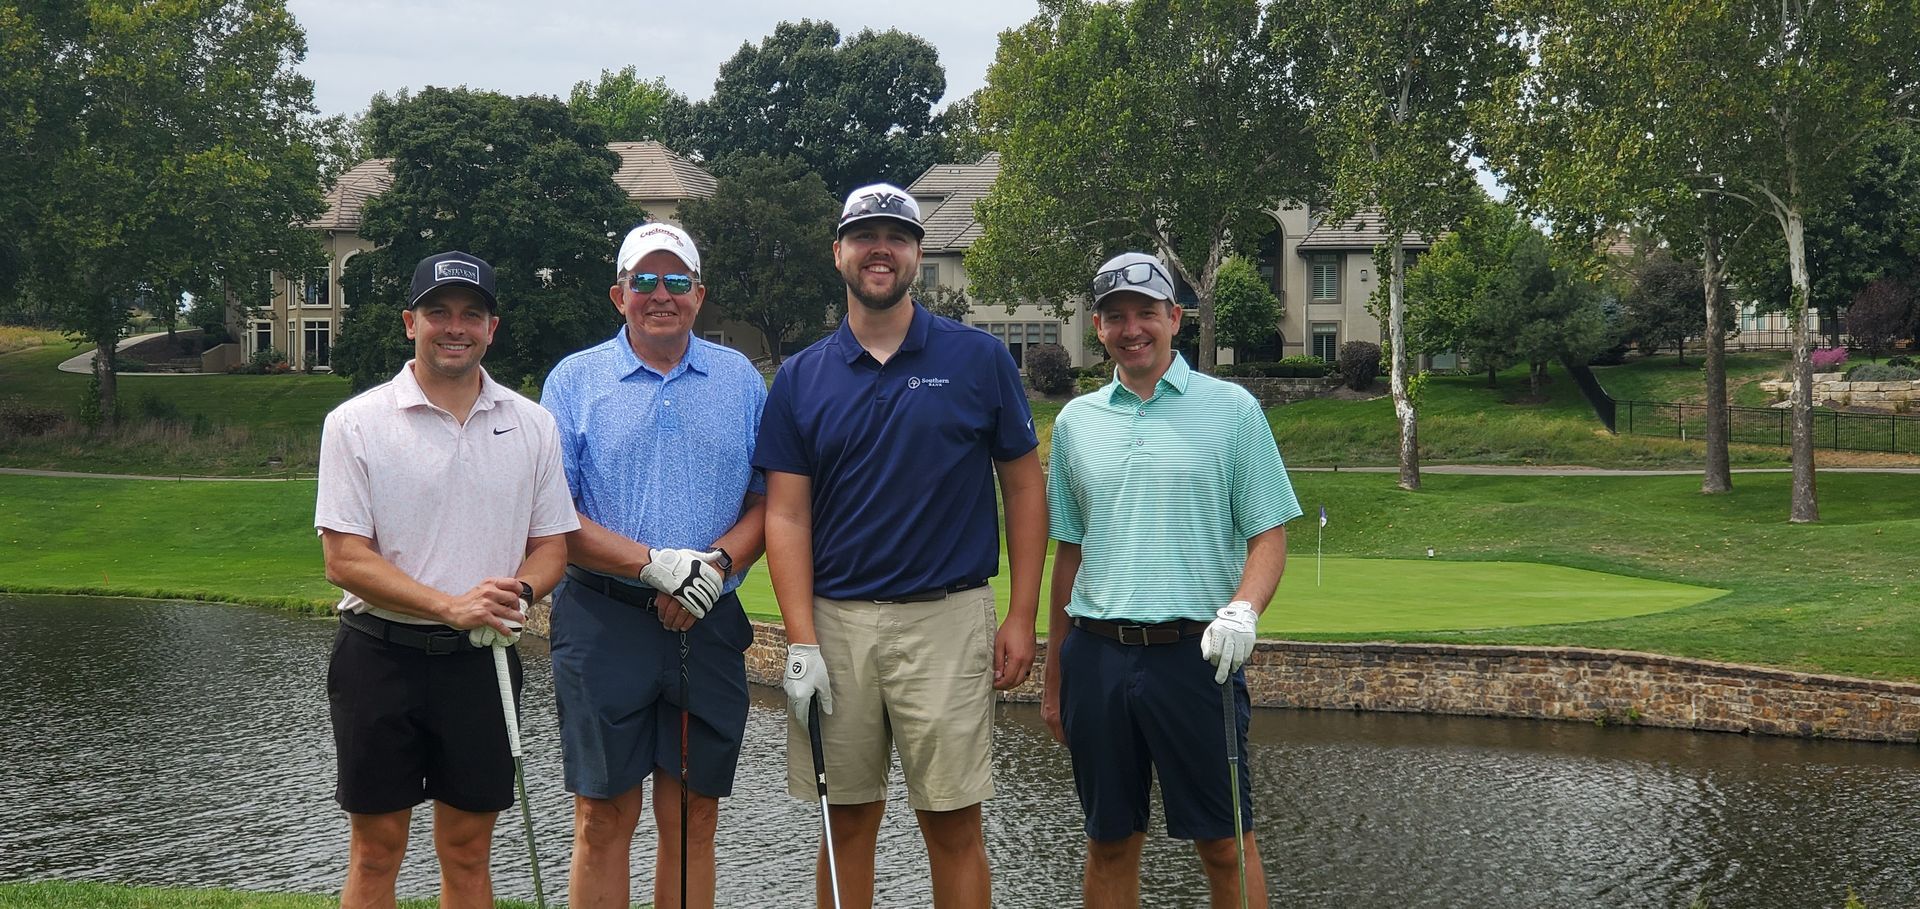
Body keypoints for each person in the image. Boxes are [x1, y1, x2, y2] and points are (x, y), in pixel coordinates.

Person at [755, 183, 1047, 908]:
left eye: (897, 236)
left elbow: (1023, 488)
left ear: (917, 254)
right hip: (836, 622)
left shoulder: (978, 359)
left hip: (947, 618)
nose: (880, 249)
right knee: (844, 821)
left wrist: (1020, 615)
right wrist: (800, 640)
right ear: (839, 254)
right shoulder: (799, 377)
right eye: (864, 236)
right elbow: (786, 516)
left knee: (952, 821)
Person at [316, 250, 579, 909]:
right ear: (411, 322)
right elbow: (345, 558)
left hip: (479, 662)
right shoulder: (356, 423)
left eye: (472, 314)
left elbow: (551, 548)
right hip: (379, 656)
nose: (454, 326)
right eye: (439, 312)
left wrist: (516, 593)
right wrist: (449, 604)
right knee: (377, 851)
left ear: (493, 328)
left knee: (467, 852)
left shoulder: (532, 423)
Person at [1041, 252, 1300, 909]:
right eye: (1117, 316)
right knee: (1109, 842)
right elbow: (1067, 554)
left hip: (1196, 658)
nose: (1133, 328)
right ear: (1097, 327)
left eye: (1147, 313)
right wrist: (1054, 675)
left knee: (1225, 843)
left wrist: (1244, 608)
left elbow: (1269, 534)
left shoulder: (1233, 410)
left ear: (1175, 318)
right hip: (1096, 656)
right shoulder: (1075, 424)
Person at [539, 221, 767, 909]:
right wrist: (653, 565)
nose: (659, 295)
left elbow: (770, 500)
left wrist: (718, 563)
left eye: (675, 281)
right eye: (644, 281)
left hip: (711, 623)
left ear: (699, 295)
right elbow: (555, 515)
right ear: (619, 294)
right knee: (604, 817)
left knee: (694, 817)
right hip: (604, 621)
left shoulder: (740, 379)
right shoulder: (575, 380)